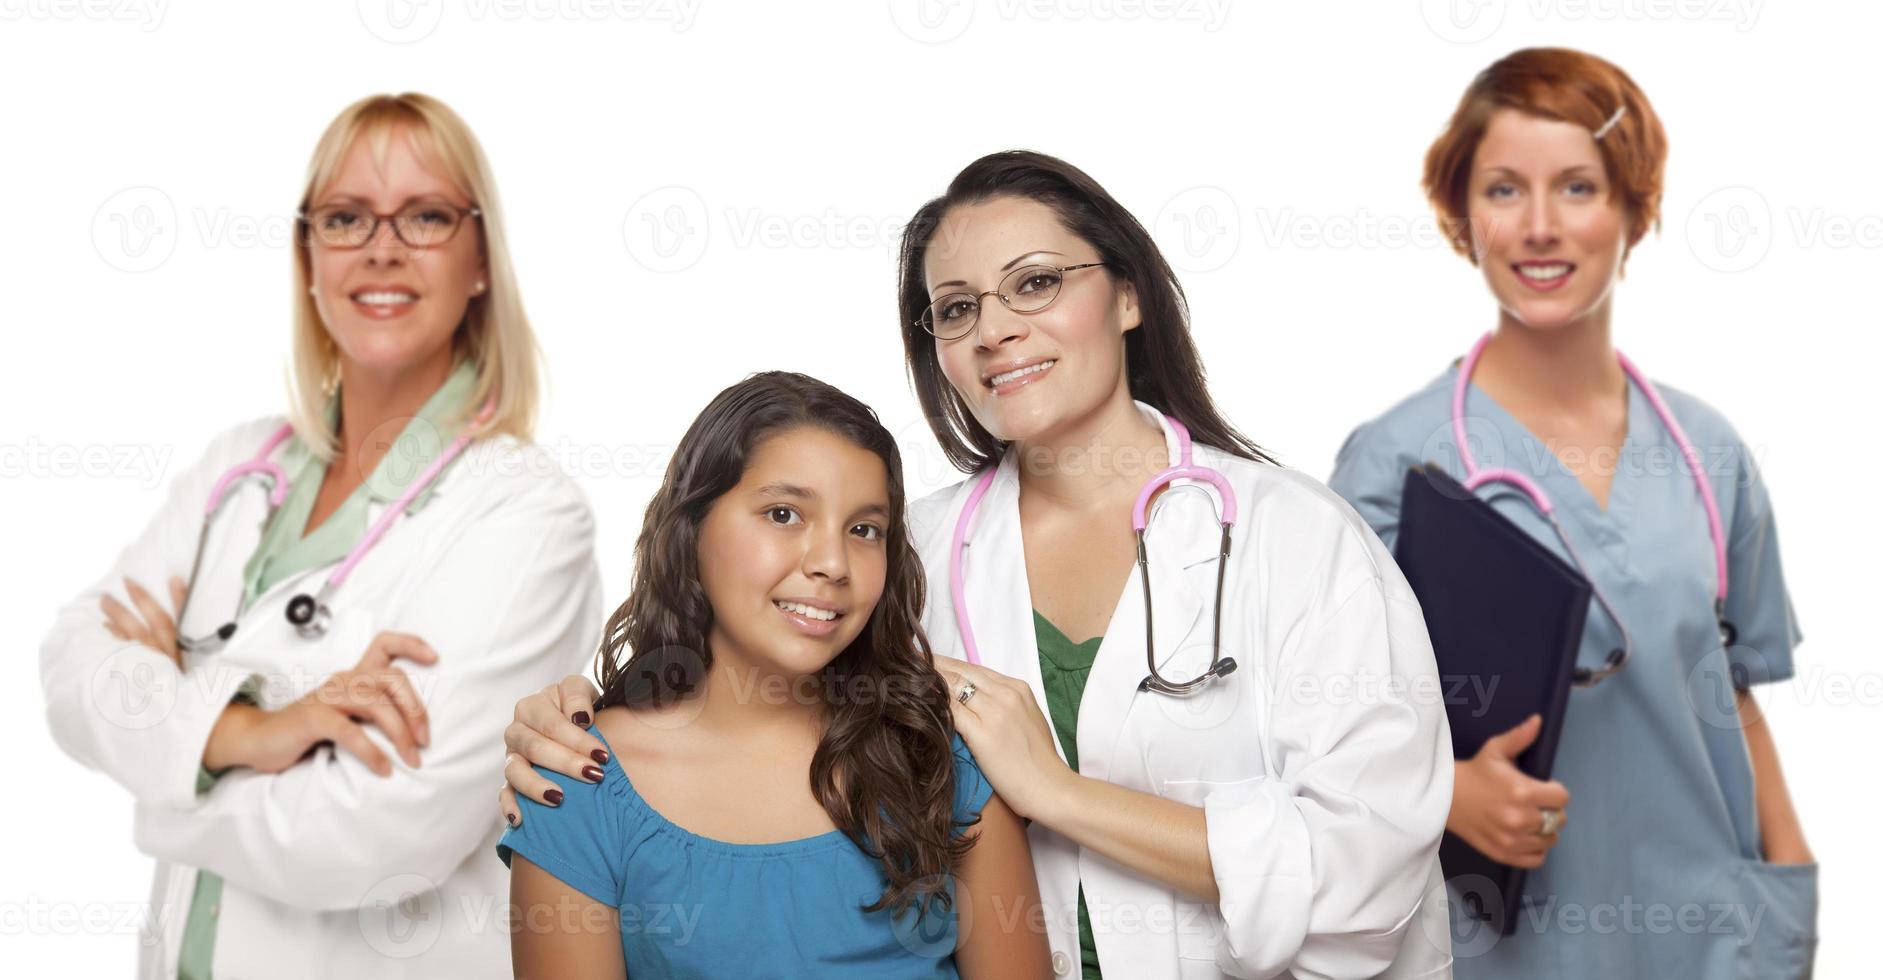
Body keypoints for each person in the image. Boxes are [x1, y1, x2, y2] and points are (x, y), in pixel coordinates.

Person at [500, 151, 1455, 979]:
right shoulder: (894, 556)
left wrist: (1057, 794)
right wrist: (573, 712)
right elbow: (737, 695)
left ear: (1127, 295)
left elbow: (1367, 869)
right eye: (956, 308)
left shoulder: (1297, 541)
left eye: (1035, 283)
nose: (994, 329)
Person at [38, 93, 603, 979]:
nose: (382, 247)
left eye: (424, 215)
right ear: (308, 255)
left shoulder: (527, 514)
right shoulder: (239, 468)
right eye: (345, 218)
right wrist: (245, 734)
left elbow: (377, 835)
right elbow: (71, 666)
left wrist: (161, 767)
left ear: (480, 258)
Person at [1327, 48, 1816, 977]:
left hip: (1715, 944)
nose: (1539, 228)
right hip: (1501, 952)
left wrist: (1791, 902)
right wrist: (1442, 795)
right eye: (1503, 190)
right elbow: (1324, 736)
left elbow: (1735, 694)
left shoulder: (1705, 447)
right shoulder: (1396, 462)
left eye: (1578, 188)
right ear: (1462, 216)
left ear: (1634, 209)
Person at [498, 371, 1050, 978]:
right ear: (692, 529)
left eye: (864, 530)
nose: (833, 564)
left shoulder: (940, 758)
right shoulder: (579, 780)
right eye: (783, 514)